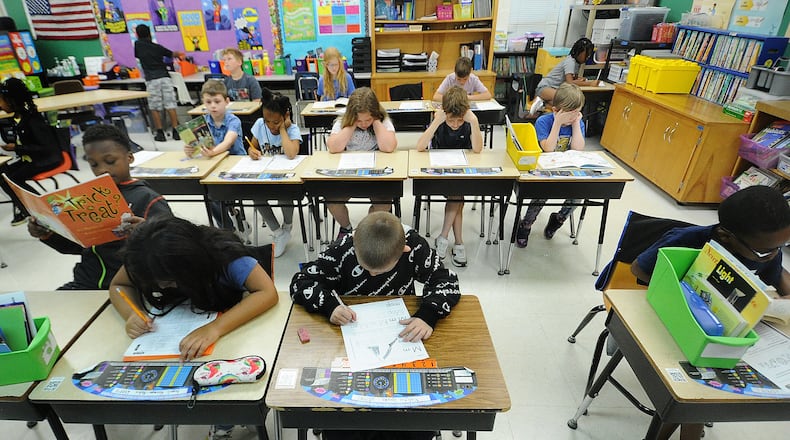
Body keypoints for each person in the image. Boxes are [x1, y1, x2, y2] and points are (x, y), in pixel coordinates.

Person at [631, 185, 790, 440]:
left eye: (782, 246)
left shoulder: (766, 249)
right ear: (726, 236)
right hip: (672, 317)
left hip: (725, 332)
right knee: (694, 391)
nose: (772, 254)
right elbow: (639, 269)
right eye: (765, 251)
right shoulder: (684, 239)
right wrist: (680, 292)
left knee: (707, 383)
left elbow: (778, 275)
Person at [290, 211, 459, 440]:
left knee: (409, 417)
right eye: (365, 267)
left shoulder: (414, 246)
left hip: (399, 336)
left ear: (403, 252)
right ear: (355, 245)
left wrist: (428, 314)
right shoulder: (343, 247)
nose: (371, 274)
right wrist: (330, 306)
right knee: (345, 419)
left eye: (379, 271)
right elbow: (302, 281)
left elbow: (446, 281)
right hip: (351, 339)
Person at [108, 216, 278, 440]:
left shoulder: (227, 256)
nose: (161, 287)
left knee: (223, 380)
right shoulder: (146, 258)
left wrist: (214, 329)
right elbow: (119, 285)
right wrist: (131, 313)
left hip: (229, 330)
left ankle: (225, 419)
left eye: (168, 281)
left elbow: (267, 293)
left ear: (191, 264)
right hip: (176, 331)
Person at [27, 124, 172, 290]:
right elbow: (79, 247)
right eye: (94, 164)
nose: (102, 169)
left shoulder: (148, 199)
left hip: (130, 285)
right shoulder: (86, 198)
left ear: (130, 158)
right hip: (86, 282)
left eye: (110, 161)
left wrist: (145, 234)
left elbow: (172, 250)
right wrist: (47, 234)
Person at [416, 86, 483, 267]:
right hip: (438, 174)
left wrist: (474, 122)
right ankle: (457, 242)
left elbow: (477, 149)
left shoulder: (469, 122)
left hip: (460, 172)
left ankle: (444, 238)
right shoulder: (439, 120)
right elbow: (420, 147)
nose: (455, 125)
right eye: (451, 121)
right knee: (457, 197)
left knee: (457, 195)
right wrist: (436, 122)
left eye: (459, 121)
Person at [516, 83, 586, 248]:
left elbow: (578, 148)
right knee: (542, 193)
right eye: (570, 114)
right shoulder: (543, 121)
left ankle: (559, 219)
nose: (574, 117)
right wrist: (557, 123)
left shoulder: (577, 123)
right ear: (556, 110)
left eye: (577, 112)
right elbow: (548, 148)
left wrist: (576, 124)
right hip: (545, 171)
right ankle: (526, 224)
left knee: (579, 195)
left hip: (568, 172)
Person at [325, 87, 397, 240]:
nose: (364, 124)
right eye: (359, 120)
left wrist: (376, 121)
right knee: (331, 199)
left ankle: (365, 230)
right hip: (348, 175)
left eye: (368, 120)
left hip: (375, 175)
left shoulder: (383, 122)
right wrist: (351, 123)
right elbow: (333, 147)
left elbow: (389, 147)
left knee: (385, 201)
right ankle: (346, 228)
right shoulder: (341, 123)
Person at [186, 80, 247, 234]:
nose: (213, 105)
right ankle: (227, 230)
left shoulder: (233, 120)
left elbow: (228, 142)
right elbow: (197, 146)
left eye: (217, 101)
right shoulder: (202, 122)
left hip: (235, 163)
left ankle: (232, 215)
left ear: (227, 102)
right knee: (209, 194)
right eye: (208, 102)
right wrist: (189, 149)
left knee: (221, 193)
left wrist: (213, 152)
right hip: (213, 164)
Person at [0, 77, 63, 226]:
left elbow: (45, 148)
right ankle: (28, 209)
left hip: (47, 159)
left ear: (11, 100)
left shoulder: (32, 120)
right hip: (32, 158)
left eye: (2, 101)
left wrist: (16, 148)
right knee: (3, 174)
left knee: (11, 180)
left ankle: (37, 210)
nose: (0, 105)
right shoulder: (19, 117)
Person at [248, 88, 302, 258]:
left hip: (286, 178)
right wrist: (251, 151)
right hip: (263, 175)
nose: (271, 126)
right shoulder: (259, 125)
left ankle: (287, 226)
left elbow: (292, 153)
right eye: (267, 121)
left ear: (285, 116)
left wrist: (283, 129)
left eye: (276, 122)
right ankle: (278, 232)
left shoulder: (292, 129)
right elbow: (253, 146)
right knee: (256, 197)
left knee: (284, 195)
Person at [134, 23, 183, 142]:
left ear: (137, 34)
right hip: (164, 77)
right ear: (150, 33)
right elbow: (171, 54)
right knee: (170, 104)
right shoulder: (157, 47)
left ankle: (160, 132)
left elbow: (138, 56)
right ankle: (176, 131)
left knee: (155, 107)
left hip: (151, 79)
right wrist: (179, 54)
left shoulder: (137, 45)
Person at [530, 37, 597, 115]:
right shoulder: (570, 62)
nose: (588, 57)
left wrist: (580, 80)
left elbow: (571, 78)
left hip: (554, 89)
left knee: (563, 107)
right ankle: (541, 105)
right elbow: (570, 82)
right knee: (566, 100)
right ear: (579, 52)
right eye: (586, 54)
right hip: (545, 88)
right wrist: (590, 83)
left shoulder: (576, 63)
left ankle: (542, 105)